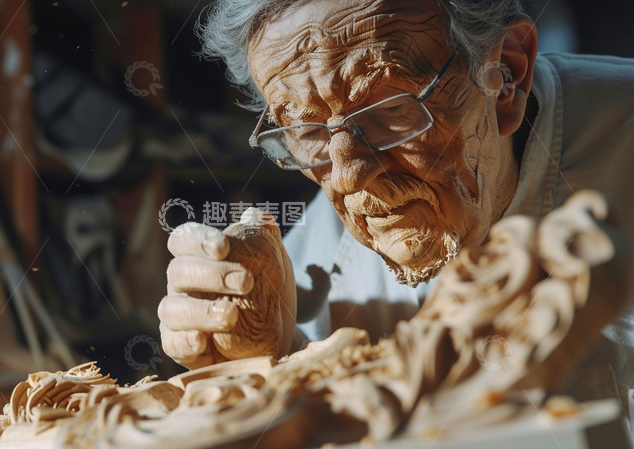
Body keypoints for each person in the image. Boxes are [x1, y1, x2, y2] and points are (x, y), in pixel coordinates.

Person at [157, 0, 634, 438]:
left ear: (505, 75)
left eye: (390, 108)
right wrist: (267, 355)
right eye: (305, 129)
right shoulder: (331, 236)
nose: (346, 177)